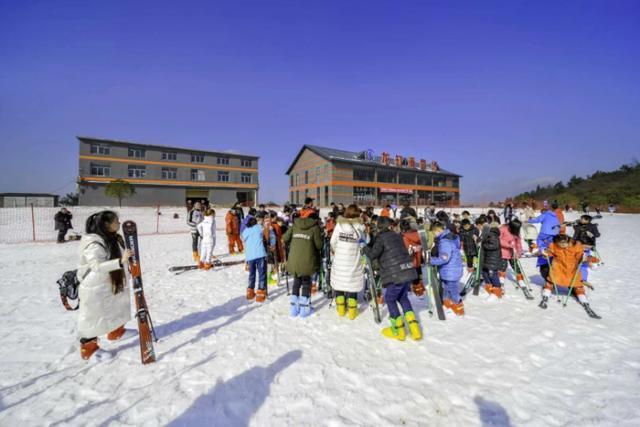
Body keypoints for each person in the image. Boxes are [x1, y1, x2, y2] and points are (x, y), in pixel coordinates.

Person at [76, 211, 135, 361]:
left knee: (117, 306)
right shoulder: (94, 243)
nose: (119, 223)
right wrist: (120, 261)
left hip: (110, 281)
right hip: (94, 286)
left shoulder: (113, 238)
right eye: (116, 221)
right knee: (93, 317)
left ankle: (116, 332)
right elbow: (96, 265)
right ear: (106, 224)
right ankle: (88, 350)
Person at [364, 217, 422, 340]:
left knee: (390, 300)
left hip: (395, 275)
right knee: (403, 298)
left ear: (379, 227)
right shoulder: (397, 236)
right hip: (407, 271)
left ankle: (398, 330)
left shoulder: (381, 238)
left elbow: (373, 254)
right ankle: (415, 330)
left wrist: (364, 247)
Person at [538, 234, 599, 318]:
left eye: (564, 243)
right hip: (558, 267)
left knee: (577, 284)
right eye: (560, 243)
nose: (563, 245)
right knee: (551, 279)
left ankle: (584, 302)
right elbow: (550, 253)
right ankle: (545, 296)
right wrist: (545, 253)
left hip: (572, 268)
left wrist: (588, 258)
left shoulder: (576, 246)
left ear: (568, 241)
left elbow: (580, 256)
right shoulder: (554, 246)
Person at [283, 210, 323, 318]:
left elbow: (285, 238)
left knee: (296, 281)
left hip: (294, 260)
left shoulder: (295, 225)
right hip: (307, 261)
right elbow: (319, 245)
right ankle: (304, 310)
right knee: (306, 282)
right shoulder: (315, 228)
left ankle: (293, 309)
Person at [330, 204, 367, 319]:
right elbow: (365, 242)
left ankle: (341, 309)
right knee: (352, 285)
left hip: (340, 259)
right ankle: (352, 312)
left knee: (339, 283)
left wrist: (337, 251)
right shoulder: (360, 226)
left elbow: (333, 241)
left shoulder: (339, 225)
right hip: (353, 260)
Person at [429, 221, 464, 315]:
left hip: (450, 270)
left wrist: (431, 260)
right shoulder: (453, 236)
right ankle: (448, 305)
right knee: (447, 288)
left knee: (452, 290)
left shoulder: (445, 241)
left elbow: (444, 258)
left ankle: (458, 308)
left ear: (438, 230)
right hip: (454, 268)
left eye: (434, 233)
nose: (434, 235)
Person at [528, 208, 561, 282]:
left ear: (543, 212)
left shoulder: (545, 214)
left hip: (545, 232)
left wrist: (529, 220)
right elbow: (558, 225)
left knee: (540, 240)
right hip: (555, 233)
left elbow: (537, 219)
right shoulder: (555, 216)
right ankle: (549, 251)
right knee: (550, 244)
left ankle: (542, 250)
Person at [241, 216, 268, 303]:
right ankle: (260, 293)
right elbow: (266, 231)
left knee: (252, 274)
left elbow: (243, 238)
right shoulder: (259, 228)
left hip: (250, 256)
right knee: (262, 274)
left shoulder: (245, 231)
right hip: (260, 255)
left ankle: (250, 292)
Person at [400, 219, 425, 297]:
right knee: (418, 275)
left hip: (409, 260)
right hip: (418, 259)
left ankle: (415, 291)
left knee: (410, 276)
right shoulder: (417, 234)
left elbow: (407, 248)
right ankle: (420, 290)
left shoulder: (404, 237)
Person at [498, 219, 524, 288]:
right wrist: (508, 245)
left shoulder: (516, 231)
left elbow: (518, 243)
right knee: (503, 266)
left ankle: (520, 279)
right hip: (503, 252)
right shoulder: (503, 229)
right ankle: (501, 280)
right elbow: (498, 239)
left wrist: (519, 252)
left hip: (513, 252)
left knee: (516, 266)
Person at [480, 222, 503, 298]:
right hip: (488, 258)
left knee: (493, 274)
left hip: (492, 259)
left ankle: (497, 289)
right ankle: (489, 287)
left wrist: (483, 244)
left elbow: (493, 246)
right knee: (485, 273)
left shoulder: (493, 235)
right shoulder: (489, 234)